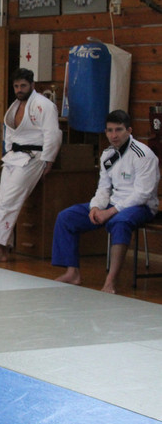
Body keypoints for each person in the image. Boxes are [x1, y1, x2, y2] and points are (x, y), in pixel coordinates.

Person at [53, 110, 160, 294]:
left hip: (141, 206)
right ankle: (72, 272)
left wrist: (110, 212)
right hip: (113, 202)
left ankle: (111, 281)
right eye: (109, 130)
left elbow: (143, 194)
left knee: (120, 221)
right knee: (67, 217)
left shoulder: (143, 155)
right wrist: (95, 207)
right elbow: (103, 188)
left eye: (118, 130)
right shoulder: (108, 155)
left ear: (129, 130)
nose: (114, 135)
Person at [0, 68, 62, 264]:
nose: (19, 89)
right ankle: (3, 250)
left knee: (10, 201)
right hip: (13, 157)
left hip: (34, 157)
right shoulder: (14, 106)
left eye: (23, 85)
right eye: (16, 86)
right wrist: (7, 152)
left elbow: (53, 134)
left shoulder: (44, 105)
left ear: (32, 85)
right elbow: (8, 134)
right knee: (0, 202)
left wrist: (48, 161)